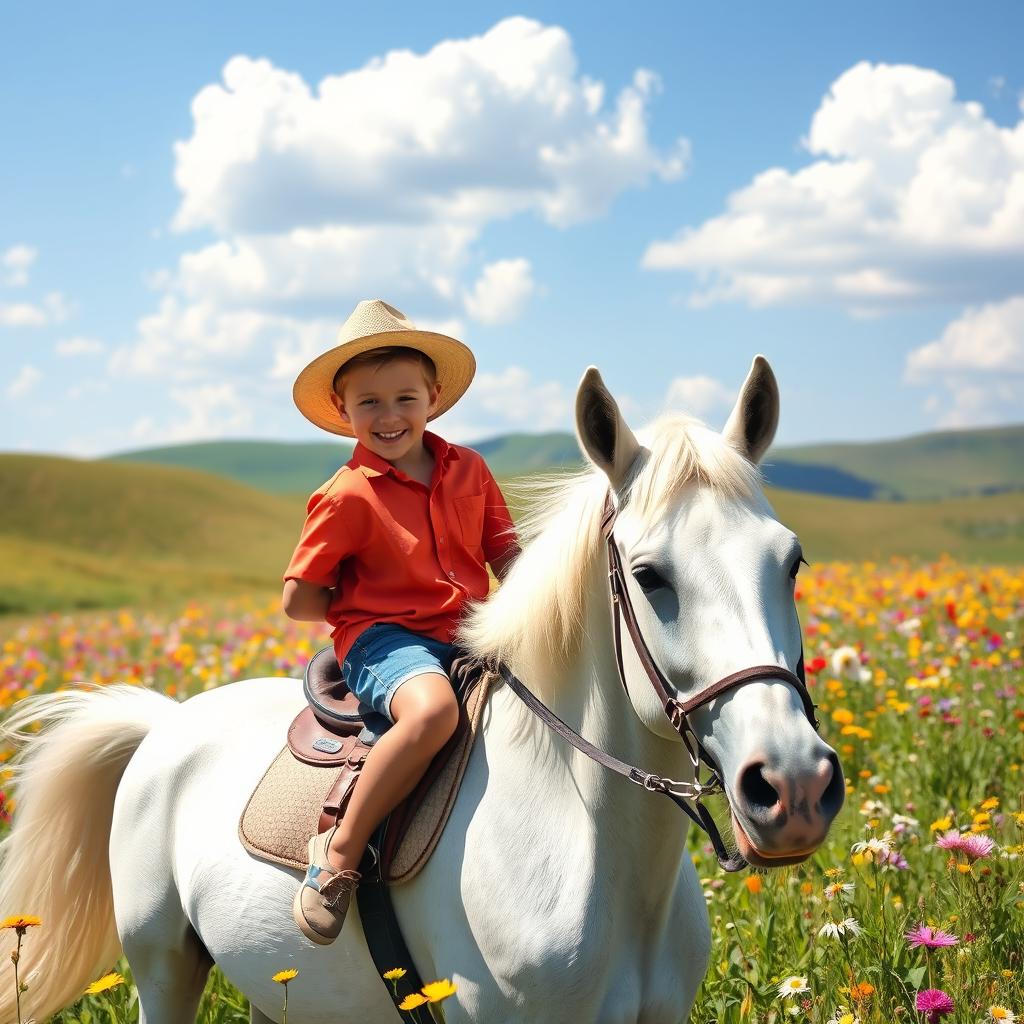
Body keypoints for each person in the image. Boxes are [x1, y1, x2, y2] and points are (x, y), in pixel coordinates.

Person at [282, 299, 519, 945]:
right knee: (431, 713)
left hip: (472, 630)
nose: (389, 417)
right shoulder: (346, 494)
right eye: (369, 403)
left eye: (405, 398)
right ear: (343, 410)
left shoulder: (470, 468)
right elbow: (300, 599)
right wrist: (369, 599)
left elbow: (508, 558)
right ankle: (337, 852)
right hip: (384, 639)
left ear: (433, 397)